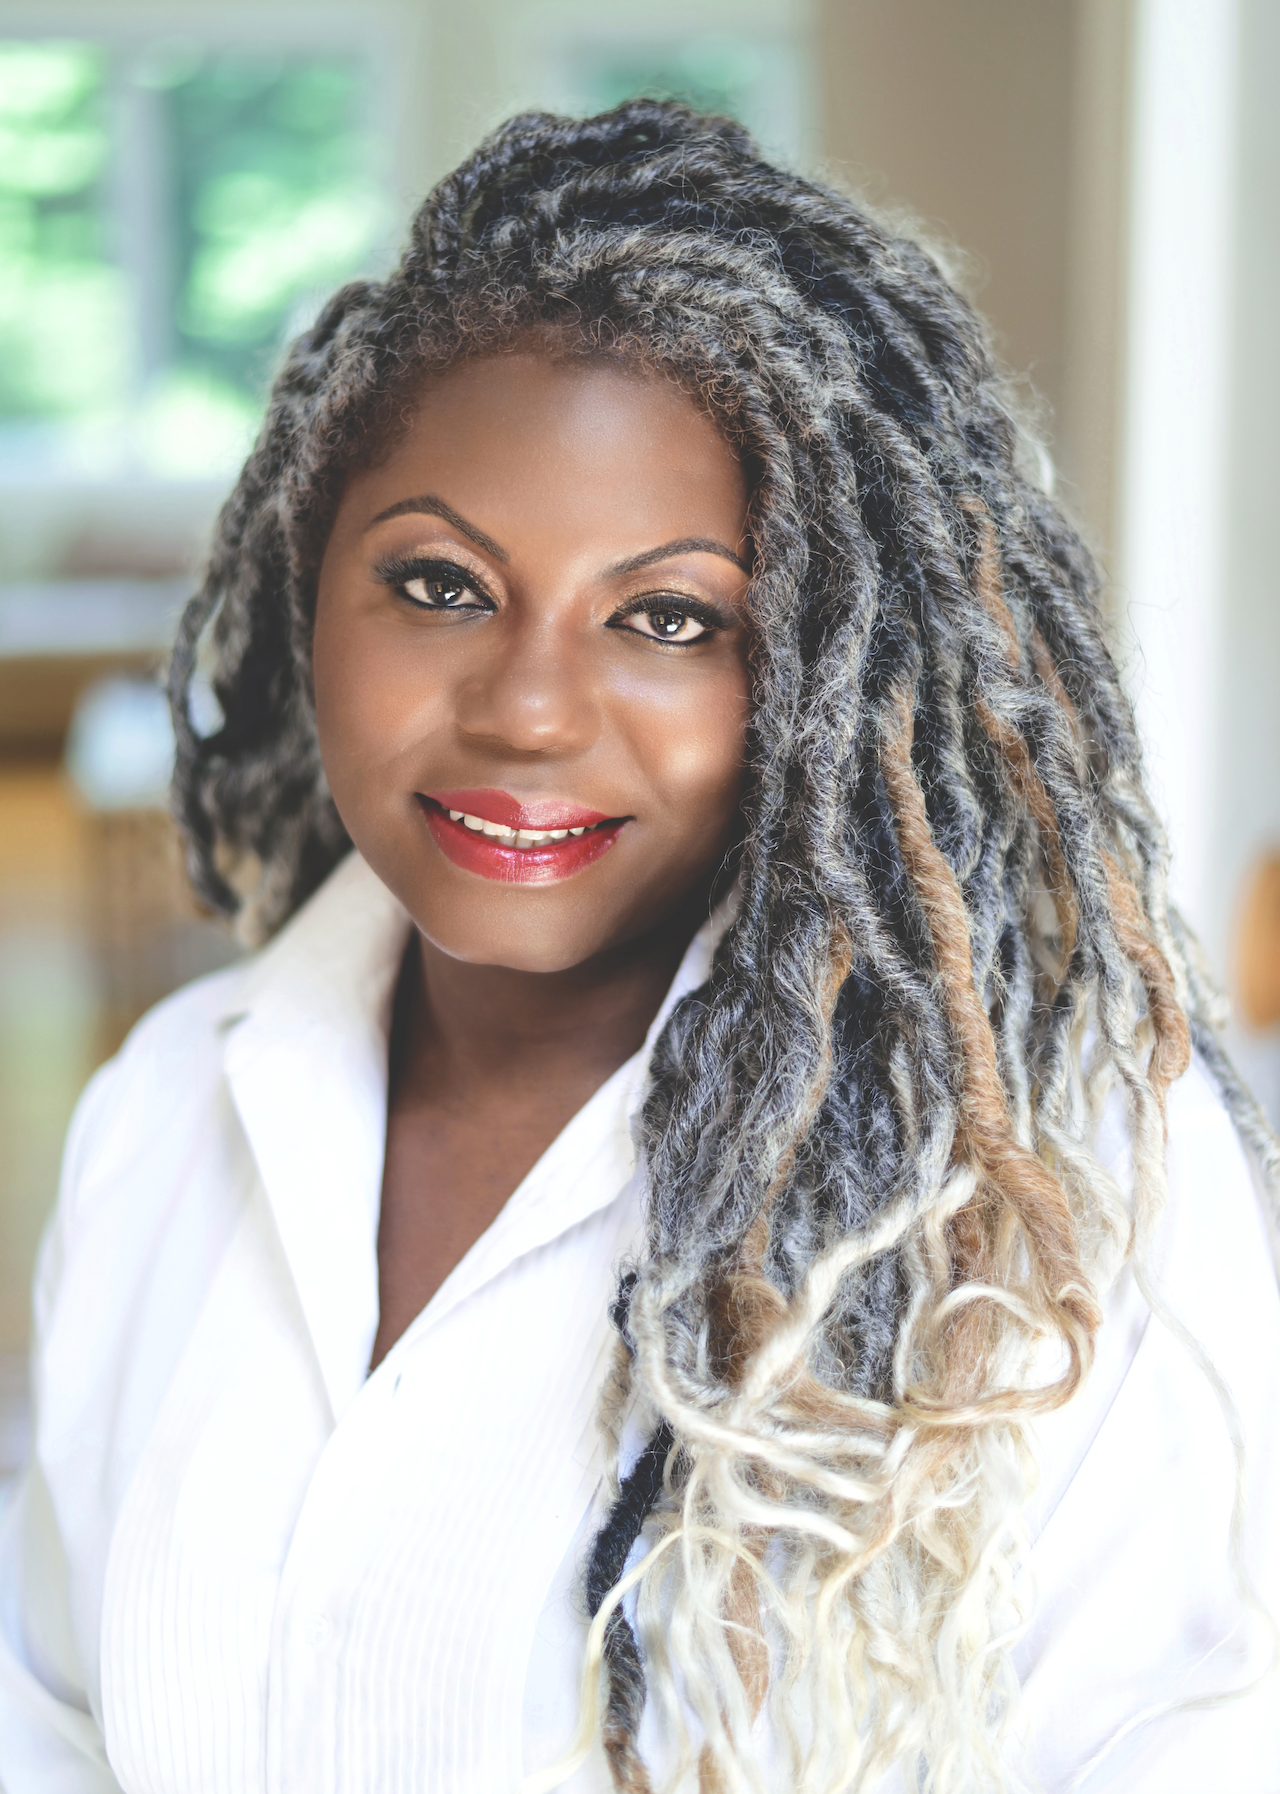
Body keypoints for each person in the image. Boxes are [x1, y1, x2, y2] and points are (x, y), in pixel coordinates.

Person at [0, 99, 1277, 1794]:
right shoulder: (162, 1115)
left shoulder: (1061, 1197)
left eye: (671, 619)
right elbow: (55, 1718)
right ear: (312, 587)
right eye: (442, 584)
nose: (527, 708)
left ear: (825, 675)